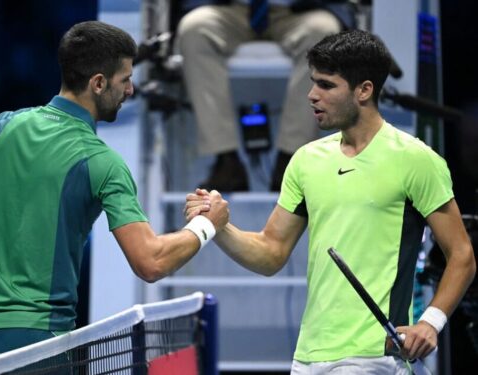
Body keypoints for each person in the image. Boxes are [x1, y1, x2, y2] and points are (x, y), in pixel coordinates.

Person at [0, 20, 229, 368]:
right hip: (36, 345)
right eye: (125, 79)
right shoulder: (103, 162)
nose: (131, 90)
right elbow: (151, 262)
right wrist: (206, 226)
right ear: (98, 83)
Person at [186, 29, 476, 373]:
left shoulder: (417, 160)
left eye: (326, 85)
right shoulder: (306, 161)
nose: (311, 95)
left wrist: (430, 322)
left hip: (375, 357)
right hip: (308, 357)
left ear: (364, 90)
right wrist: (219, 227)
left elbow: (462, 254)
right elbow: (270, 252)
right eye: (312, 83)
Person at [175, 0, 356, 191]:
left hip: (297, 10)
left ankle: (290, 160)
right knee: (194, 29)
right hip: (232, 8)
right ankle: (226, 159)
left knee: (323, 31)